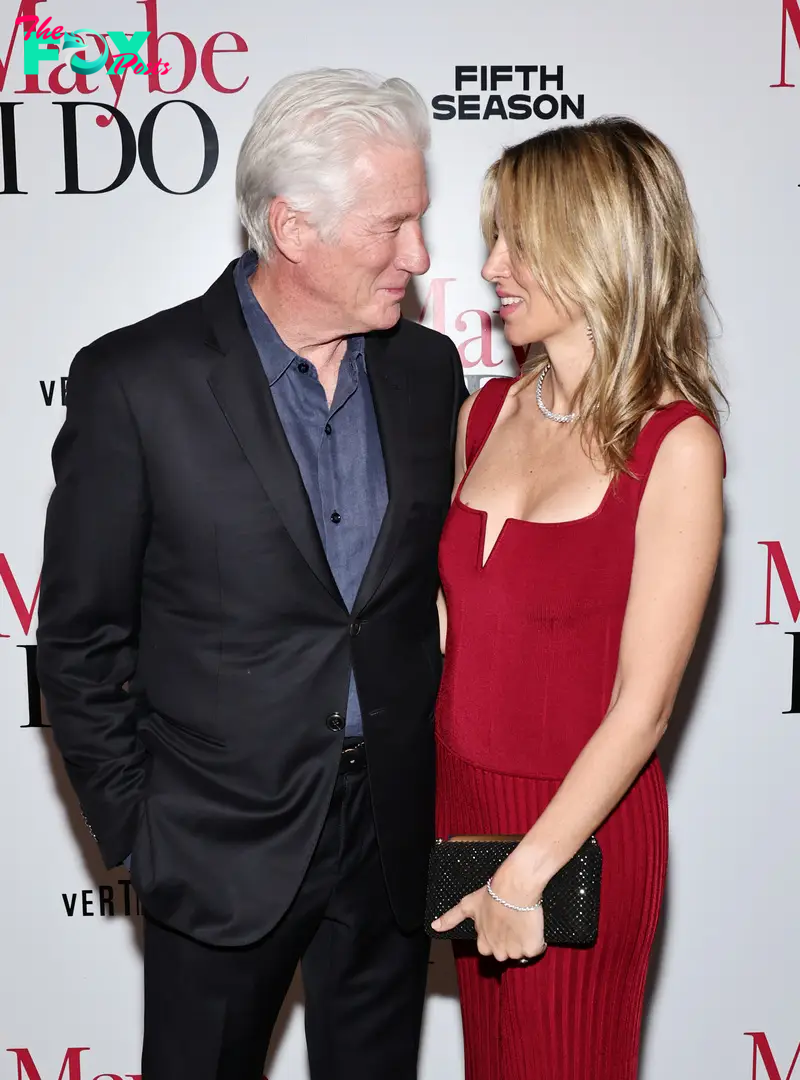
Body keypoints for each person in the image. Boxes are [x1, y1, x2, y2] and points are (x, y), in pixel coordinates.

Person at [36, 68, 467, 1080]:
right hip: (215, 850)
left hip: (390, 846)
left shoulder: (425, 371)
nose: (419, 254)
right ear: (293, 226)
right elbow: (80, 640)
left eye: (421, 221)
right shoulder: (136, 383)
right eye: (392, 224)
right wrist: (142, 837)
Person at [431, 118, 725, 1079]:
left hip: (579, 829)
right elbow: (456, 635)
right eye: (494, 237)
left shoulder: (673, 447)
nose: (493, 265)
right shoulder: (484, 413)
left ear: (596, 246)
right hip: (467, 813)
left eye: (520, 240)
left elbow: (642, 709)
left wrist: (529, 872)